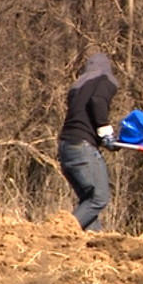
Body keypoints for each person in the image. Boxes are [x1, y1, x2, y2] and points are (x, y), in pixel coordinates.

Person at [57, 50, 120, 231]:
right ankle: (60, 232)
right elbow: (98, 101)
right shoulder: (105, 78)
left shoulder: (77, 86)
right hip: (82, 146)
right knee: (99, 198)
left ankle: (92, 239)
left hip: (65, 147)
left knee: (88, 200)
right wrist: (105, 133)